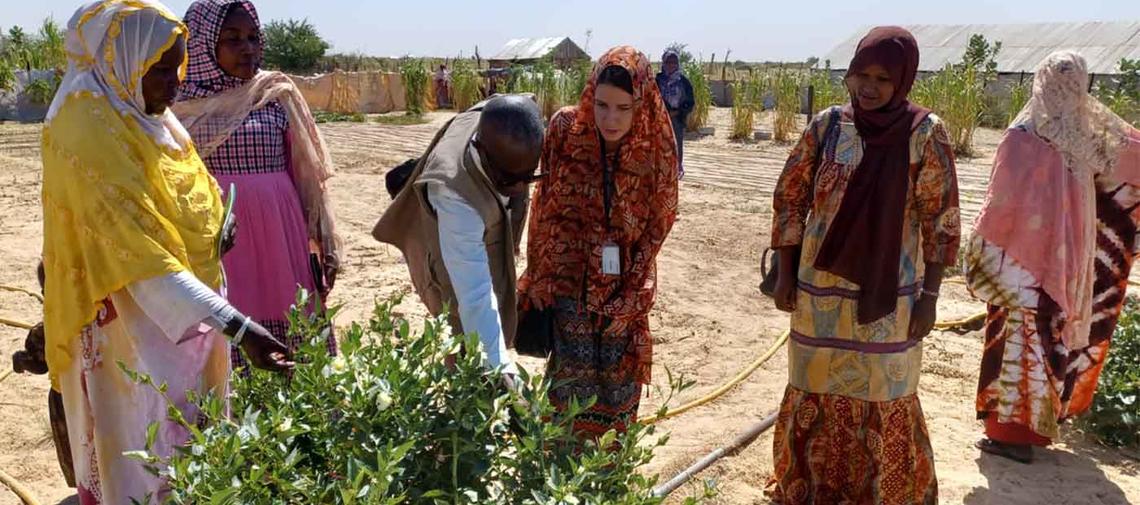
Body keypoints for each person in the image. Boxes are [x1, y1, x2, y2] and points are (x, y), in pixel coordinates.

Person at [40, 2, 292, 502]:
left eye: (176, 65)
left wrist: (222, 219)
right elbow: (140, 259)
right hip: (129, 329)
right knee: (143, 446)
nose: (173, 81)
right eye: (159, 69)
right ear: (124, 65)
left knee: (191, 442)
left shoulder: (148, 115)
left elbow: (189, 190)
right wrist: (240, 328)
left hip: (186, 315)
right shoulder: (88, 130)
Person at [767, 27, 959, 504]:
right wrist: (786, 275)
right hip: (818, 293)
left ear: (904, 81)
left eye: (882, 78)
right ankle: (812, 488)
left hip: (889, 297)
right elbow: (790, 197)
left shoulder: (924, 133)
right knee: (813, 382)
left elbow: (942, 221)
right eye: (861, 75)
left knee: (884, 391)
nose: (868, 87)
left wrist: (930, 299)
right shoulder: (829, 126)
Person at [968, 51, 1140, 464]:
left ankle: (1011, 435)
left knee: (1017, 342)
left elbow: (999, 203)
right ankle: (1034, 428)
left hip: (1019, 261)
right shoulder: (1091, 135)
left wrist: (979, 248)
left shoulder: (1022, 134)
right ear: (1083, 87)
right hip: (1069, 261)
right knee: (1048, 336)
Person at [517, 46, 679, 438]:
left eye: (623, 108)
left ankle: (608, 481)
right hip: (568, 281)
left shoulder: (656, 145)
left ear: (640, 102)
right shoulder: (564, 129)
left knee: (617, 387)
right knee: (568, 390)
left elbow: (660, 222)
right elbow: (544, 205)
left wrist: (632, 290)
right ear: (591, 94)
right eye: (603, 105)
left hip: (622, 288)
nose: (610, 118)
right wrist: (538, 274)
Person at [172, 0, 342, 371]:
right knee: (229, 321)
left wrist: (322, 238)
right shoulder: (176, 106)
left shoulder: (275, 93)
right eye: (232, 39)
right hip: (218, 238)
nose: (247, 47)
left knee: (291, 319)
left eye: (252, 37)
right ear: (201, 44)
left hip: (282, 233)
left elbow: (308, 176)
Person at [372, 94, 544, 383]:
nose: (517, 189)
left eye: (526, 178)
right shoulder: (454, 194)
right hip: (440, 247)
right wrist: (503, 371)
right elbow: (475, 294)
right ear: (481, 149)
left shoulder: (515, 119)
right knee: (462, 333)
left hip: (482, 226)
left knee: (489, 322)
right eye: (507, 180)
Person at [655, 49, 693, 177]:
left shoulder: (684, 82)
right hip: (660, 118)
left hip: (677, 118)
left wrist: (677, 112)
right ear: (663, 63)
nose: (671, 65)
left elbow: (690, 101)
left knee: (676, 143)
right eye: (668, 62)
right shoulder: (657, 80)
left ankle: (676, 168)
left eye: (674, 62)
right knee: (659, 143)